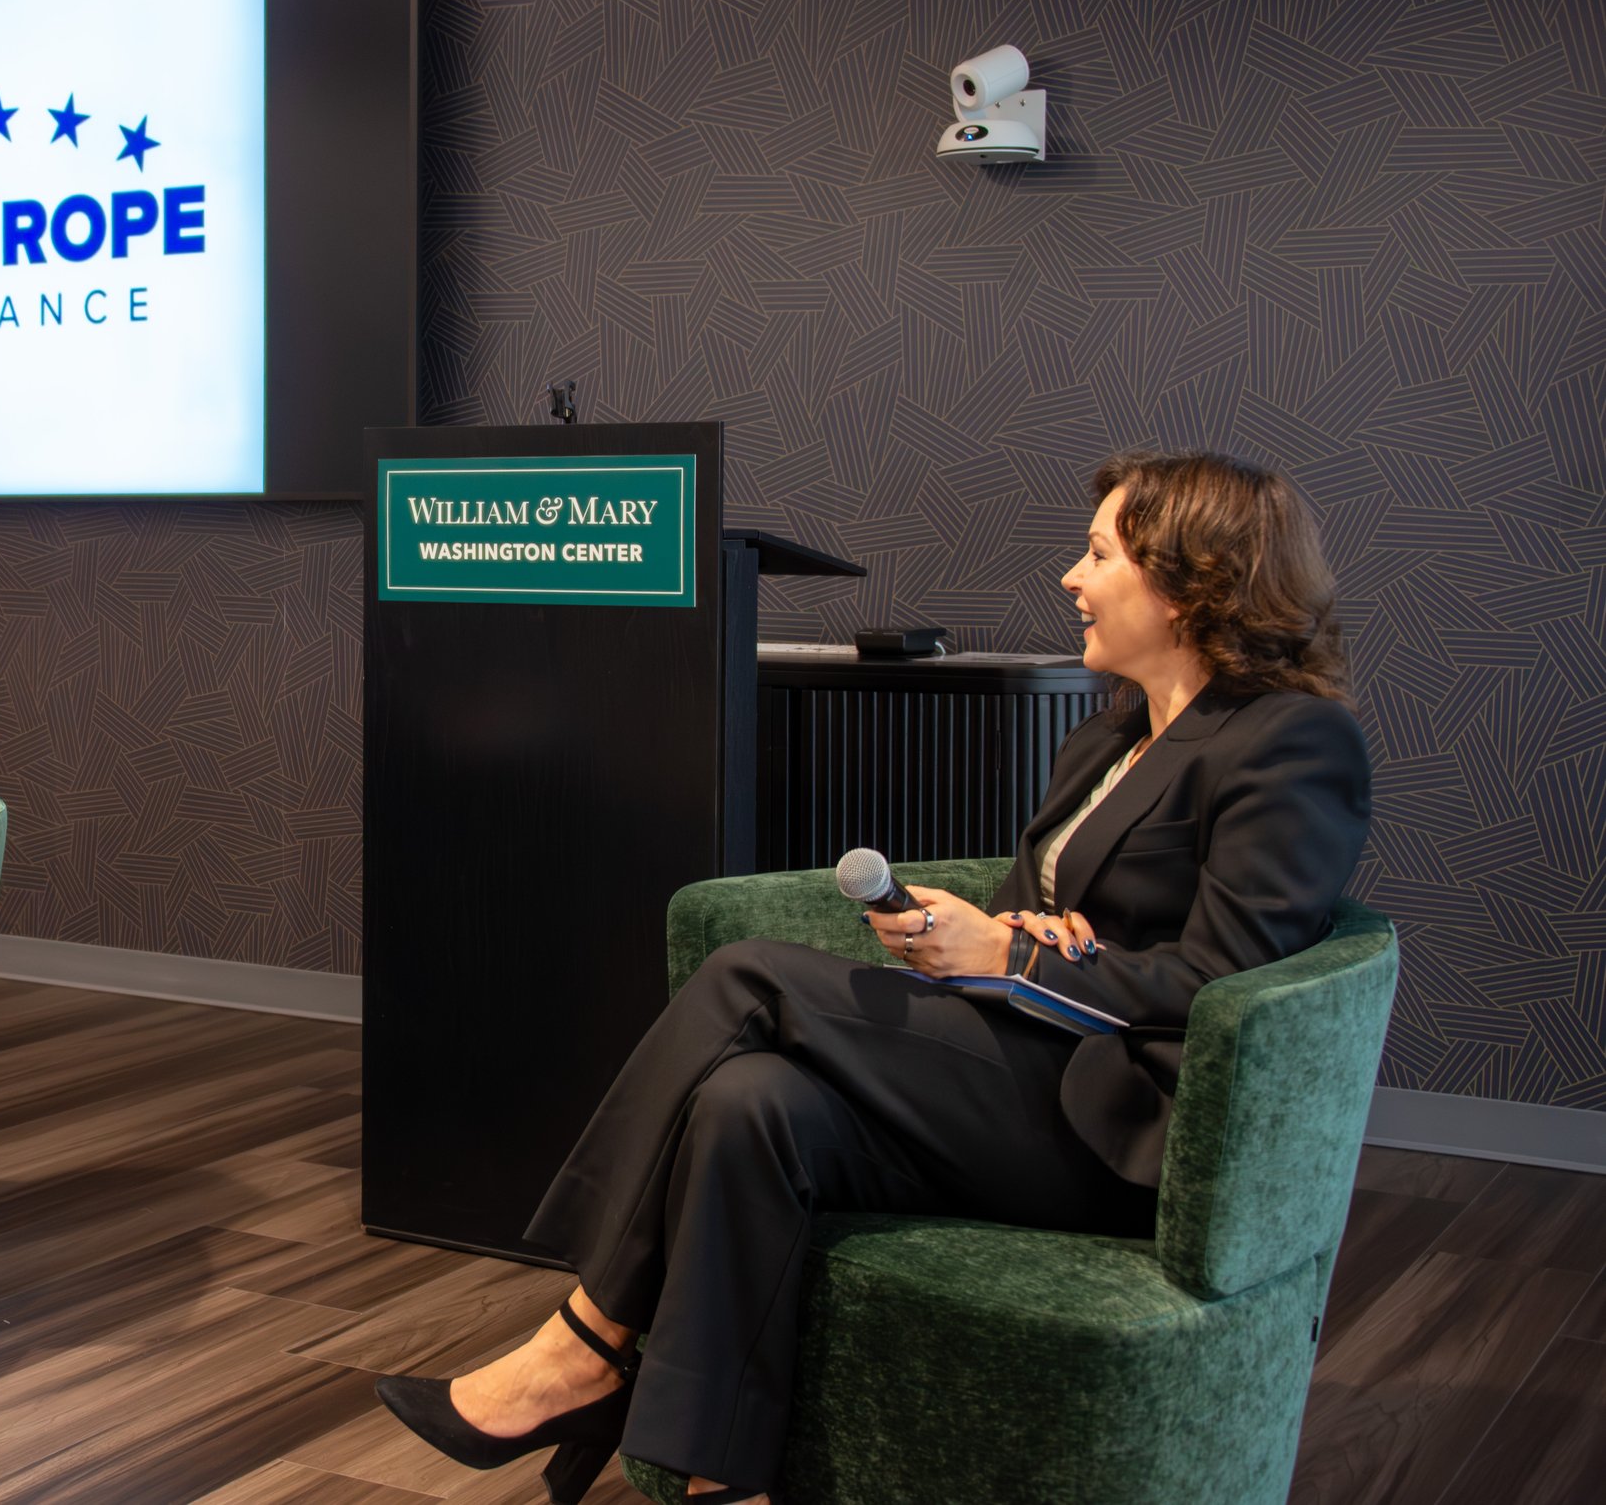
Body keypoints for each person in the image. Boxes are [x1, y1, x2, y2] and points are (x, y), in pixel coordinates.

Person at [376, 450, 1372, 1504]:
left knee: (746, 978)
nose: (1071, 577)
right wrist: (991, 933)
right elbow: (1037, 908)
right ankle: (718, 1478)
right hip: (1019, 1068)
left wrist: (1016, 957)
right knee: (748, 1102)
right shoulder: (1110, 736)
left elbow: (1228, 986)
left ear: (1186, 581)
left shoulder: (1292, 741)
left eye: (1097, 555)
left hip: (1121, 1128)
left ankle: (583, 1341)